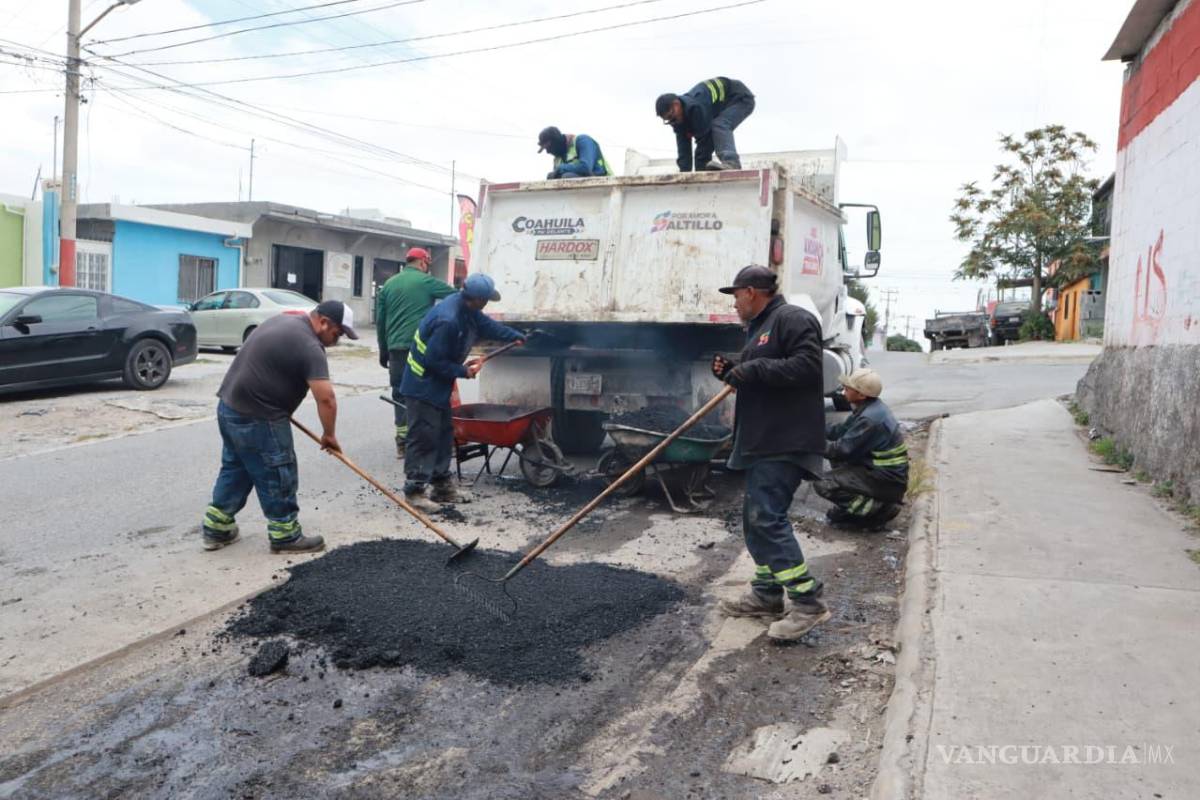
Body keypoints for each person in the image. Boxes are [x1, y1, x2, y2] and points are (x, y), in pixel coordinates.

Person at [710, 265, 831, 642]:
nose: (733, 305)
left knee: (767, 519)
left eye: (735, 297)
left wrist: (755, 368)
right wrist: (733, 371)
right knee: (754, 520)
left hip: (786, 439)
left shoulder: (792, 319)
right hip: (762, 440)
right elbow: (761, 376)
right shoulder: (761, 329)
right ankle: (766, 594)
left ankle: (807, 603)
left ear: (750, 292)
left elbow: (809, 367)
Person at [201, 300, 358, 553]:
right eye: (337, 334)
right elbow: (326, 398)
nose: (336, 340)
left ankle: (216, 528)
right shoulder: (310, 346)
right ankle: (285, 535)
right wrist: (329, 435)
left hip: (229, 407)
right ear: (324, 322)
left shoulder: (284, 320)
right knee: (278, 471)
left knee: (237, 468)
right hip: (260, 416)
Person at [400, 274, 524, 511]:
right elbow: (434, 361)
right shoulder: (448, 320)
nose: (487, 304)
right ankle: (415, 492)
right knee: (424, 438)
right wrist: (464, 371)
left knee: (444, 435)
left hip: (437, 385)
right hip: (422, 384)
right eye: (486, 300)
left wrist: (513, 335)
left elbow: (487, 325)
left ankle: (442, 487)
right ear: (477, 299)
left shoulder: (467, 309)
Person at [375, 247, 456, 457]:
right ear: (422, 263)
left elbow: (381, 321)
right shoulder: (426, 281)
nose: (427, 268)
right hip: (422, 348)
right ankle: (431, 441)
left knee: (400, 394)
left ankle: (402, 442)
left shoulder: (389, 285)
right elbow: (457, 297)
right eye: (427, 265)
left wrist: (384, 351)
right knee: (429, 391)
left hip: (396, 349)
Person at [814, 369, 908, 530]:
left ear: (861, 395)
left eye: (848, 389)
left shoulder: (869, 419)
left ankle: (877, 512)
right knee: (837, 461)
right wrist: (812, 427)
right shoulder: (870, 408)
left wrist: (809, 442)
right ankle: (869, 505)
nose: (844, 392)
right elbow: (840, 432)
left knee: (823, 483)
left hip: (887, 481)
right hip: (883, 474)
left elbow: (840, 450)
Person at [656, 77, 755, 172]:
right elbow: (684, 149)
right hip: (721, 106)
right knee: (705, 145)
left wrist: (701, 168)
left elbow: (706, 143)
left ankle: (732, 162)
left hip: (740, 99)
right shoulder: (678, 119)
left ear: (676, 104)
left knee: (719, 124)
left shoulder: (697, 108)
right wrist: (684, 174)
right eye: (668, 120)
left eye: (672, 117)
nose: (673, 121)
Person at [537, 126, 612, 179]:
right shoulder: (557, 159)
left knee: (567, 176)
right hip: (581, 192)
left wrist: (560, 168)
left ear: (556, 142)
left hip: (606, 184)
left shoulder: (583, 141)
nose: (548, 152)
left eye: (548, 148)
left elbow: (586, 168)